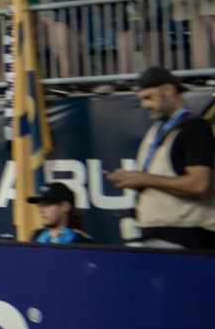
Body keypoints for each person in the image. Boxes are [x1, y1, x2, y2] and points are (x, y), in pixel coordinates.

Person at [107, 66, 215, 249]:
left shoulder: (195, 129)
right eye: (141, 99)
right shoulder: (156, 130)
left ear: (168, 90)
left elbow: (199, 184)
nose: (144, 105)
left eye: (148, 97)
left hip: (186, 237)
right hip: (157, 236)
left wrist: (145, 179)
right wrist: (135, 179)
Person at [26, 183, 93, 244]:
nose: (40, 210)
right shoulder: (35, 236)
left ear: (65, 207)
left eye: (47, 204)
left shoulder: (83, 243)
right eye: (40, 205)